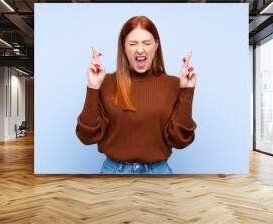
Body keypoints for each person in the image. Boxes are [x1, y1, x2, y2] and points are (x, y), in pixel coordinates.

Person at [76, 16, 197, 174]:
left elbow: (180, 140)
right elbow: (87, 136)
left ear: (156, 46)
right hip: (113, 173)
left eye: (147, 43)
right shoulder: (106, 83)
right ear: (124, 47)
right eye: (133, 44)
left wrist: (187, 90)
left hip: (158, 173)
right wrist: (93, 87)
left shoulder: (173, 85)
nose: (140, 49)